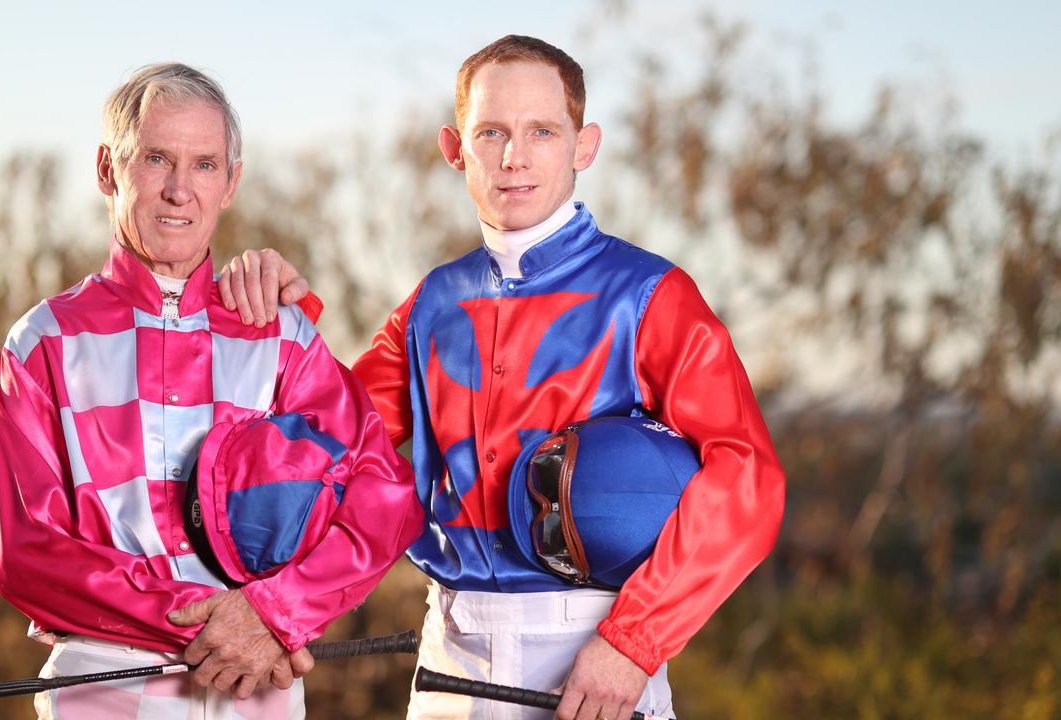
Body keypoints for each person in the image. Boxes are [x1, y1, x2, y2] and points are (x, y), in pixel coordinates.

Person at [220, 35, 786, 720]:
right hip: (449, 656)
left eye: (540, 131)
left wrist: (635, 643)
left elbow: (747, 476)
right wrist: (279, 319)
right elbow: (325, 441)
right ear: (455, 148)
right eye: (491, 133)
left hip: (595, 657)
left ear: (585, 146)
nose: (512, 158)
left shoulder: (649, 293)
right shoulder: (431, 303)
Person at [0, 62, 423, 720]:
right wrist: (225, 623)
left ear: (231, 183)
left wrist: (281, 610)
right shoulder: (43, 343)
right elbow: (28, 558)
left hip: (258, 681)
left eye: (204, 165)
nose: (178, 190)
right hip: (104, 686)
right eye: (156, 159)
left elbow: (386, 499)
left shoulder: (281, 335)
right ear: (109, 169)